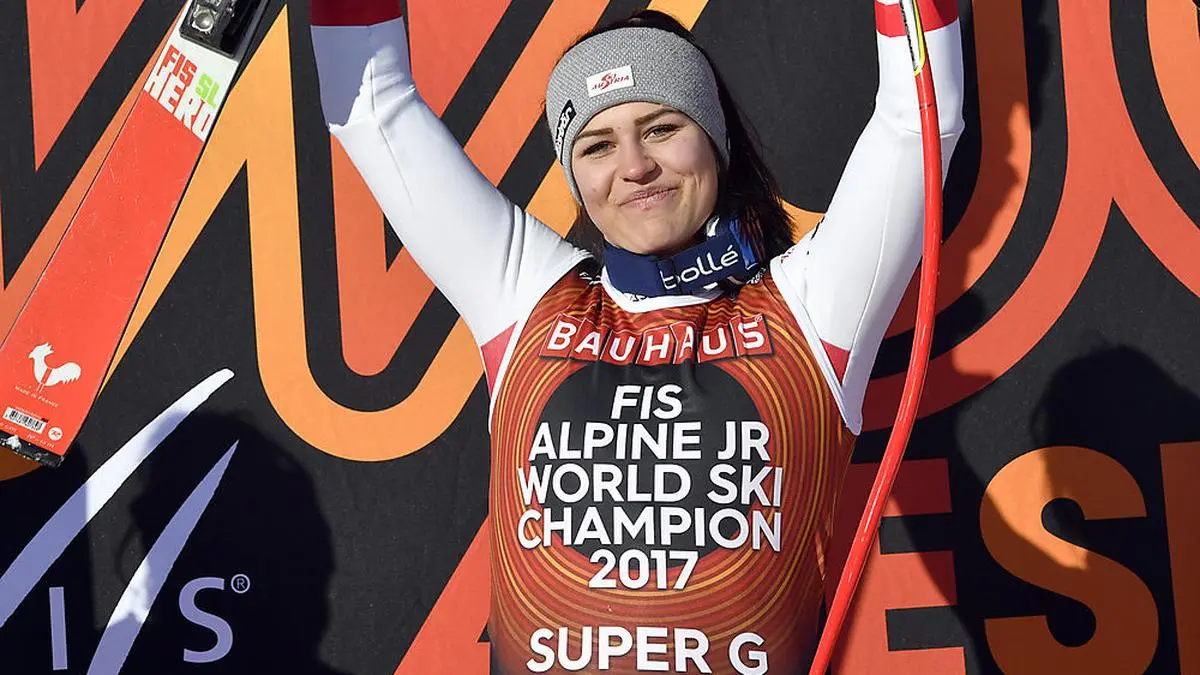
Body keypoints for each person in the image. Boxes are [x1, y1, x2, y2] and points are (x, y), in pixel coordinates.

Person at [310, 1, 964, 672]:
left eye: (661, 128)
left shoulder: (812, 307)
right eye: (597, 145)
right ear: (574, 175)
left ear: (715, 142)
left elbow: (919, 123)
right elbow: (370, 106)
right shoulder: (525, 295)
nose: (635, 166)